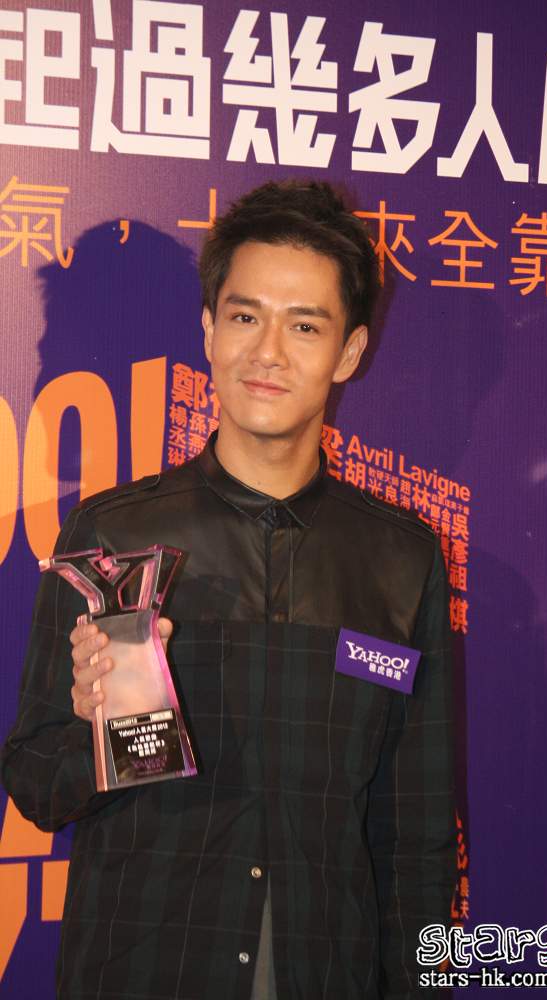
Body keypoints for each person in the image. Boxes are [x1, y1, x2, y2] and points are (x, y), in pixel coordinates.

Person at [2, 181, 456, 999]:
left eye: (304, 325)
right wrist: (110, 729)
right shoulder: (113, 537)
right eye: (246, 317)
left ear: (350, 352)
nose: (268, 353)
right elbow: (37, 785)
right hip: (142, 974)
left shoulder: (402, 558)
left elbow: (416, 836)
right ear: (209, 330)